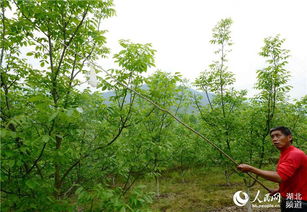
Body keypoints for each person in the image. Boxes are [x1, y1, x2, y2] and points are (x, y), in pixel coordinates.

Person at [237, 126, 307, 211]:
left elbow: (279, 177)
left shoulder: (294, 154)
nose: (274, 139)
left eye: (278, 135)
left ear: (289, 137)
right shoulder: (285, 153)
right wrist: (279, 190)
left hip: (299, 202)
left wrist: (251, 169)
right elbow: (294, 177)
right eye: (272, 137)